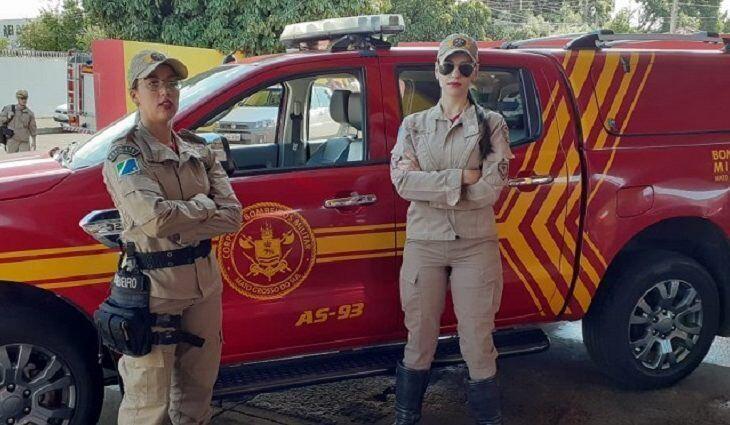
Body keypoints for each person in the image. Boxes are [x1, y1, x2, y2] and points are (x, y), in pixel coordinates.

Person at [102, 50, 242, 424]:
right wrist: (201, 205)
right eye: (153, 84)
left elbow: (232, 216)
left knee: (198, 392)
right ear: (135, 92)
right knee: (149, 404)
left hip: (204, 283)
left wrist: (186, 215)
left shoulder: (198, 148)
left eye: (172, 83)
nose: (165, 92)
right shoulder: (125, 155)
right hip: (154, 289)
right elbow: (155, 220)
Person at [390, 33, 514, 425]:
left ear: (474, 72)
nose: (455, 73)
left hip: (474, 243)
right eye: (447, 65)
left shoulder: (491, 124)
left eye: (464, 66)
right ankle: (406, 417)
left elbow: (491, 189)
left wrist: (435, 185)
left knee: (477, 340)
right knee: (419, 338)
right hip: (425, 242)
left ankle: (487, 419)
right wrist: (461, 177)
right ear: (437, 71)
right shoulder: (413, 124)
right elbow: (402, 182)